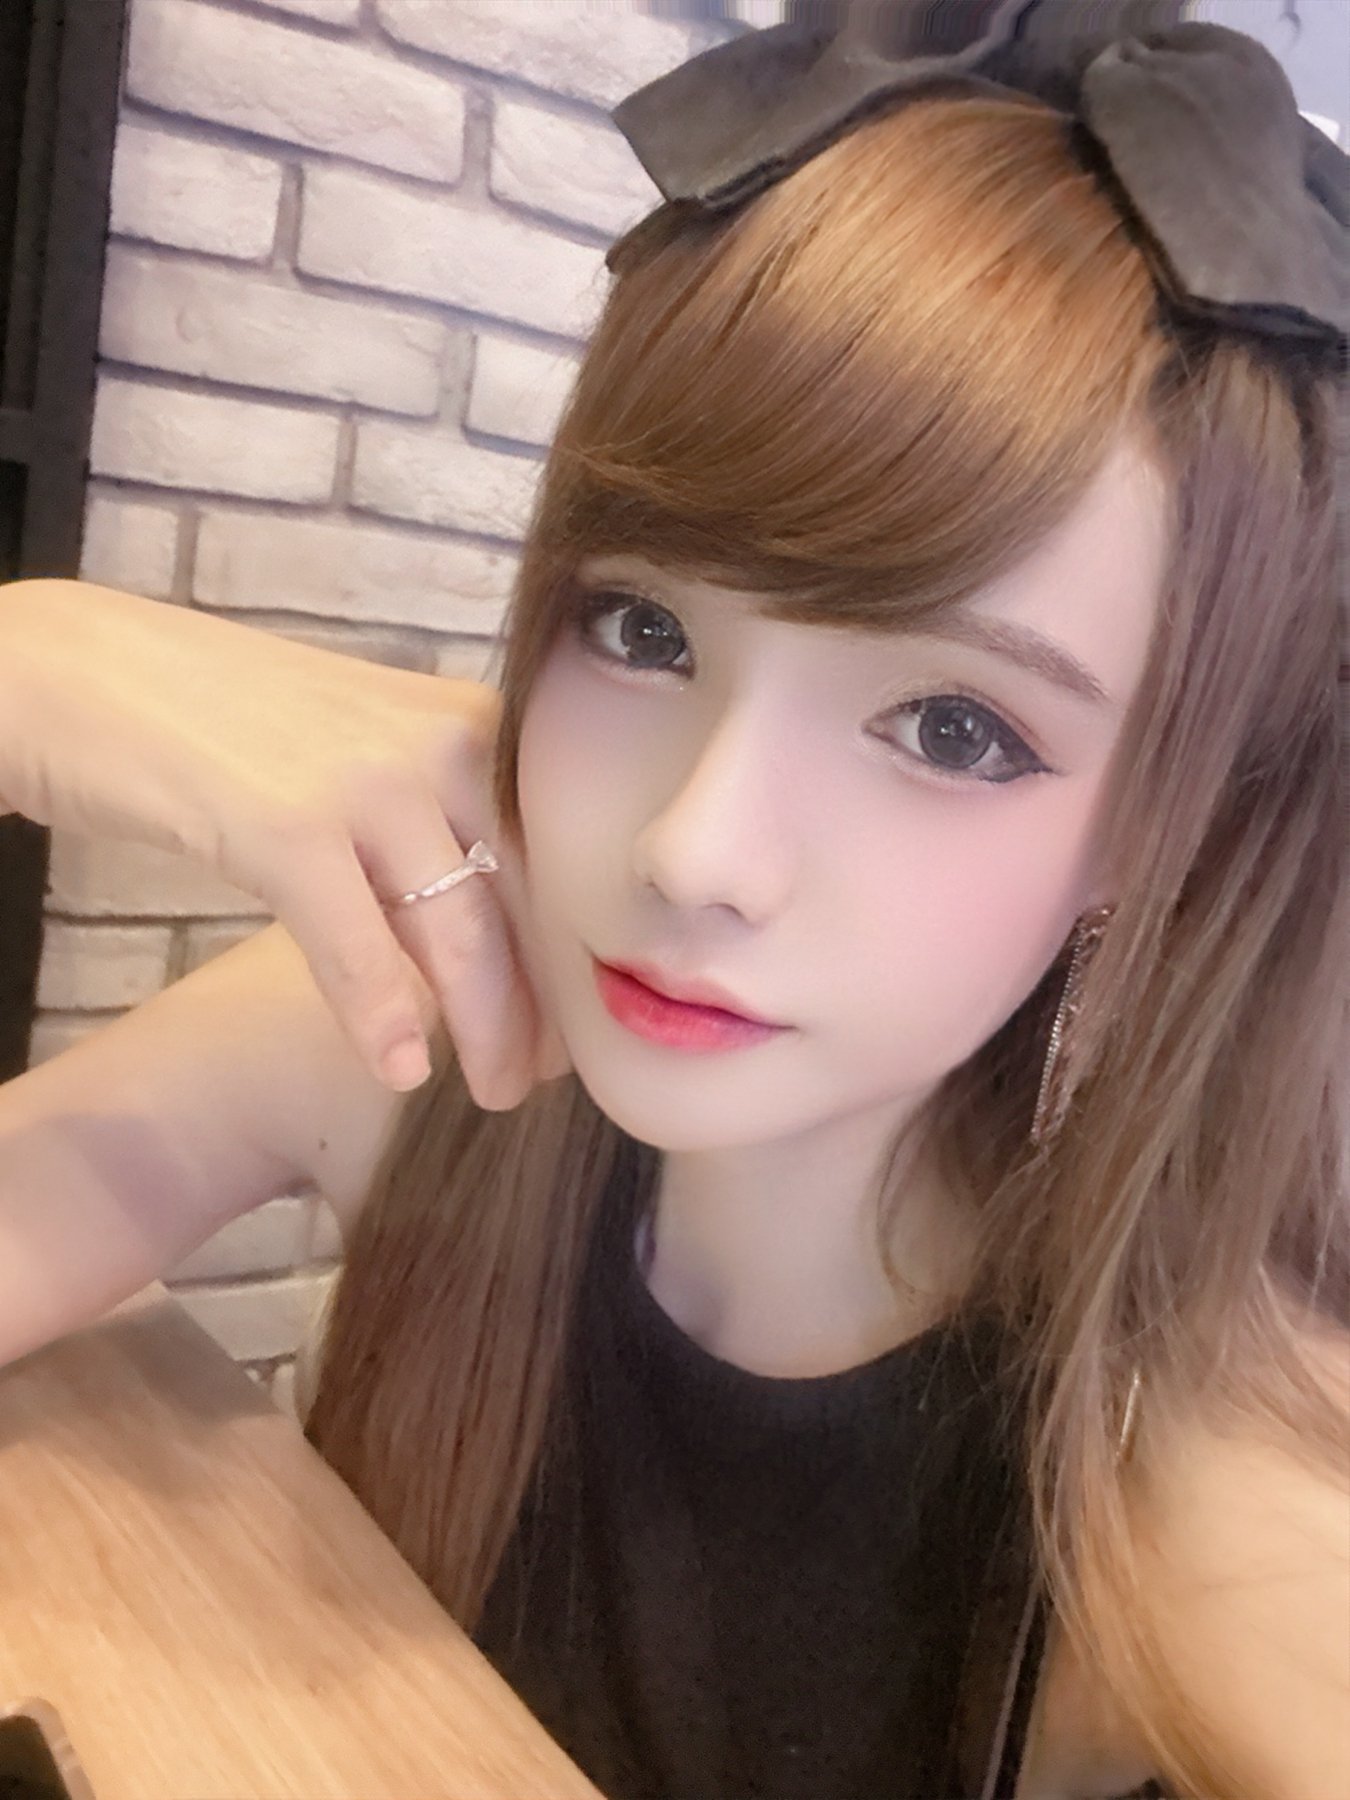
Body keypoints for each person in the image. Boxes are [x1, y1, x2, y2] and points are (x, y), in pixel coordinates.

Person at [0, 3, 1346, 1795]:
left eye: (951, 729)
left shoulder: (1179, 1471)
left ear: (1158, 836)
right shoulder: (421, 1032)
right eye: (641, 627)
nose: (696, 850)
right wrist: (36, 673)